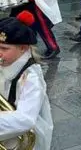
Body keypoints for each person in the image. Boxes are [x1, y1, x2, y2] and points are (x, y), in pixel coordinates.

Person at [0, 11, 53, 148]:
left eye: (4, 48)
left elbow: (26, 120)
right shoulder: (6, 61)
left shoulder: (31, 77)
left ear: (23, 48)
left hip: (20, 138)